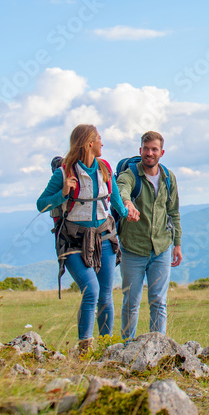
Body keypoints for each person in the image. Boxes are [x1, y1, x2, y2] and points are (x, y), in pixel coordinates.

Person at [36, 124, 139, 355]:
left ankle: (104, 348)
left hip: (105, 238)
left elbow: (114, 201)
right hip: (73, 241)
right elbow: (41, 205)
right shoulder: (63, 173)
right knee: (91, 291)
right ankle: (85, 349)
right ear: (89, 143)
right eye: (99, 138)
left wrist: (127, 213)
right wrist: (62, 193)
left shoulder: (104, 169)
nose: (103, 143)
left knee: (105, 295)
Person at [116, 130, 182, 340]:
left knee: (158, 302)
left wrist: (177, 244)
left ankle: (157, 349)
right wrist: (126, 203)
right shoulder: (130, 175)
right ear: (140, 150)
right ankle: (127, 348)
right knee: (131, 303)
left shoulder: (168, 177)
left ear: (161, 152)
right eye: (146, 149)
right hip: (133, 249)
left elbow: (173, 212)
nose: (149, 153)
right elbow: (121, 189)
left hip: (161, 248)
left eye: (154, 149)